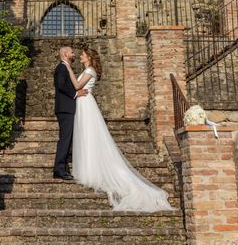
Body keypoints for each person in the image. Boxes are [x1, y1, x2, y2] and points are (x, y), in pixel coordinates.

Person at [63, 48, 173, 212]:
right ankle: (87, 167)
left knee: (89, 135)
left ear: (89, 57)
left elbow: (77, 85)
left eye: (83, 54)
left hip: (86, 104)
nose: (80, 56)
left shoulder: (90, 70)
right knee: (84, 137)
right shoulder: (87, 70)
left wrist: (68, 68)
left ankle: (93, 170)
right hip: (82, 103)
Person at [53, 46, 88, 180]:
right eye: (72, 52)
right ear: (65, 54)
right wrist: (75, 93)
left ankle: (62, 168)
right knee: (65, 139)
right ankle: (59, 170)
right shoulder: (61, 68)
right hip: (64, 108)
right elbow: (60, 85)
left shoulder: (65, 67)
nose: (74, 54)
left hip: (67, 108)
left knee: (67, 138)